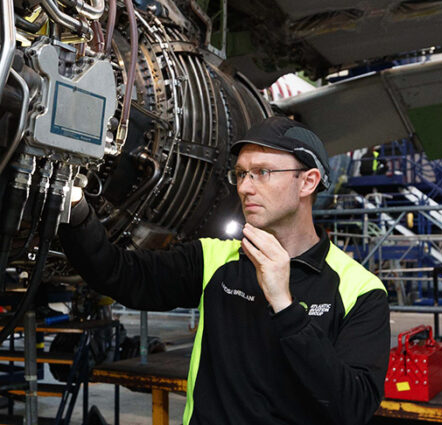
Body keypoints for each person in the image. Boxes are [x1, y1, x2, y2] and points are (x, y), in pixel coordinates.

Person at [59, 117, 390, 424]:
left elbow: (353, 406)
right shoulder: (215, 260)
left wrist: (285, 306)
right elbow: (116, 272)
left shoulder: (359, 290)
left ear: (308, 182)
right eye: (241, 173)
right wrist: (75, 206)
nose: (245, 187)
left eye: (262, 172)